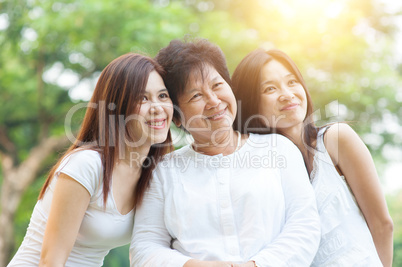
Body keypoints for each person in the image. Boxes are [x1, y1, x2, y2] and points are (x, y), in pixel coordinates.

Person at [130, 38, 320, 267]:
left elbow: (305, 225)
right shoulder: (163, 171)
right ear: (177, 117)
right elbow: (145, 248)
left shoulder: (278, 148)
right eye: (196, 96)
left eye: (217, 85)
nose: (213, 101)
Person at [231, 48, 394, 266]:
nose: (287, 94)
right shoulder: (256, 174)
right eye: (270, 88)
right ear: (250, 102)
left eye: (291, 82)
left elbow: (382, 224)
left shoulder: (335, 140)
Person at [8, 53, 174, 266]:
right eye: (142, 98)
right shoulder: (87, 164)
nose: (157, 108)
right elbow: (51, 261)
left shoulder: (152, 173)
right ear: (117, 107)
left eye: (163, 96)